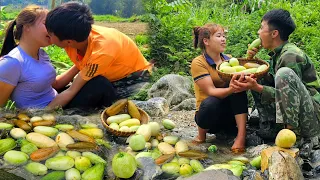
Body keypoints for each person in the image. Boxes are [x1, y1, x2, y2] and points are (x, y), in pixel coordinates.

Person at [232, 9, 320, 155]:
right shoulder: (278, 54)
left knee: (283, 74)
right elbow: (275, 84)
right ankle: (270, 127)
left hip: (311, 119)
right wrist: (252, 63)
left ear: (274, 34)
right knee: (256, 74)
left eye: (261, 28)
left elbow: (292, 95)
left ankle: (293, 137)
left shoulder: (291, 55)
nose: (258, 32)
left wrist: (258, 87)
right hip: (301, 112)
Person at [45, 2, 152, 109]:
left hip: (131, 80)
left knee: (92, 89)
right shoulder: (76, 38)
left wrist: (42, 112)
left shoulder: (102, 51)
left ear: (68, 41)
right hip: (104, 73)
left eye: (50, 34)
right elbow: (80, 66)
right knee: (56, 93)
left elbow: (72, 90)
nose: (47, 34)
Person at [190, 23, 248, 151]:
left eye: (224, 36)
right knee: (211, 101)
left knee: (239, 88)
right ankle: (201, 135)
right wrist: (231, 88)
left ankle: (241, 137)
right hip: (208, 118)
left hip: (229, 116)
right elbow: (211, 91)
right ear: (206, 41)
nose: (223, 39)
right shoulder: (199, 62)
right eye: (219, 36)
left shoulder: (230, 60)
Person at [0, 5, 58, 109]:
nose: (52, 29)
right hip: (40, 120)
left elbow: (55, 84)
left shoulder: (42, 54)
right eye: (46, 24)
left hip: (57, 108)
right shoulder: (12, 62)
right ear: (27, 27)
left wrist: (80, 66)